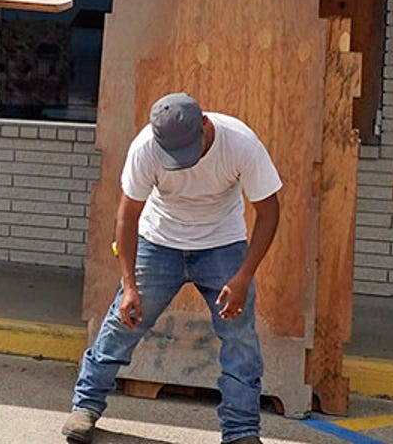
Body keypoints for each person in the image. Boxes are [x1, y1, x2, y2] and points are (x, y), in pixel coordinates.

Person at [63, 93, 281, 444]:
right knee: (123, 324)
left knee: (240, 338)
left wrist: (243, 276)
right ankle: (84, 407)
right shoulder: (145, 148)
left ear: (205, 125)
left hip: (222, 245)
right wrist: (130, 285)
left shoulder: (240, 143)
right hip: (158, 242)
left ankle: (241, 432)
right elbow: (127, 215)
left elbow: (269, 211)